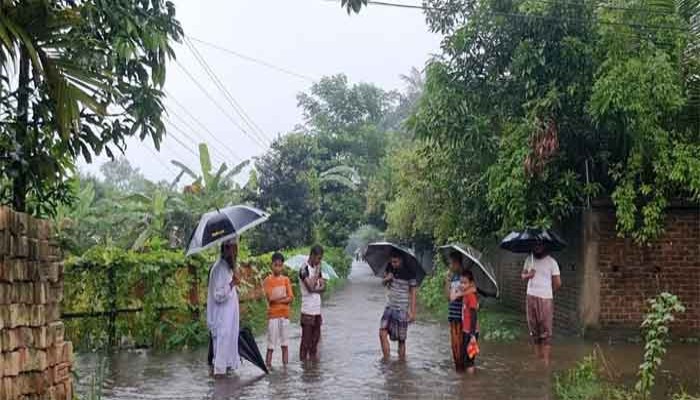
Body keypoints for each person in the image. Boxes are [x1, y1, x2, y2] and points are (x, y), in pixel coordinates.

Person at [521, 242, 562, 366]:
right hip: (530, 296)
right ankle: (537, 358)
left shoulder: (552, 262)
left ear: (545, 246)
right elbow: (522, 276)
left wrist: (548, 292)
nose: (537, 247)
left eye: (540, 245)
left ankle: (545, 361)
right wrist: (529, 275)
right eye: (535, 245)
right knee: (533, 328)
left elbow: (558, 283)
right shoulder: (529, 259)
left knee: (545, 329)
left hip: (545, 298)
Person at [206, 239, 241, 377]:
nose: (235, 252)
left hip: (228, 323)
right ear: (226, 249)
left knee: (226, 361)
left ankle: (227, 392)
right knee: (220, 362)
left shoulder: (227, 267)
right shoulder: (219, 268)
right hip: (221, 323)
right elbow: (218, 295)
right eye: (234, 249)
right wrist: (232, 283)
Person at [379, 249, 417, 360]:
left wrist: (413, 312)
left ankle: (401, 364)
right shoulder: (389, 268)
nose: (393, 264)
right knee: (382, 333)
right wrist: (387, 278)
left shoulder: (410, 273)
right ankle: (386, 361)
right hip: (390, 306)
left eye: (395, 262)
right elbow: (383, 283)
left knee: (401, 339)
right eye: (392, 261)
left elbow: (413, 293)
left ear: (401, 260)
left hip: (402, 309)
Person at [263, 252, 294, 368]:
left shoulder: (286, 280)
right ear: (271, 265)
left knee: (285, 345)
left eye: (280, 265)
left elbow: (291, 298)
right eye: (276, 265)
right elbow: (270, 298)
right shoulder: (267, 281)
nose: (278, 268)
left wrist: (279, 299)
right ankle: (268, 367)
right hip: (273, 316)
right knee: (271, 345)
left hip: (285, 316)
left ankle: (285, 368)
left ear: (283, 266)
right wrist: (283, 298)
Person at [299, 245, 325, 361]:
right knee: (306, 342)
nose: (319, 261)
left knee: (315, 342)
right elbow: (310, 287)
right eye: (318, 258)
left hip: (317, 310)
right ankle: (304, 368)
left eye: (321, 259)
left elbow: (324, 287)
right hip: (307, 310)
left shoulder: (317, 269)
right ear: (312, 255)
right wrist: (316, 275)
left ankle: (313, 370)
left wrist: (315, 288)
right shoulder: (303, 269)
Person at [460, 269, 480, 374]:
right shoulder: (466, 294)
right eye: (461, 282)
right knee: (467, 356)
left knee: (469, 359)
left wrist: (472, 335)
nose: (462, 285)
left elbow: (474, 315)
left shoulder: (471, 296)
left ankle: (470, 384)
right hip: (466, 331)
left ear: (471, 283)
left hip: (471, 332)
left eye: (465, 283)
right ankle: (468, 381)